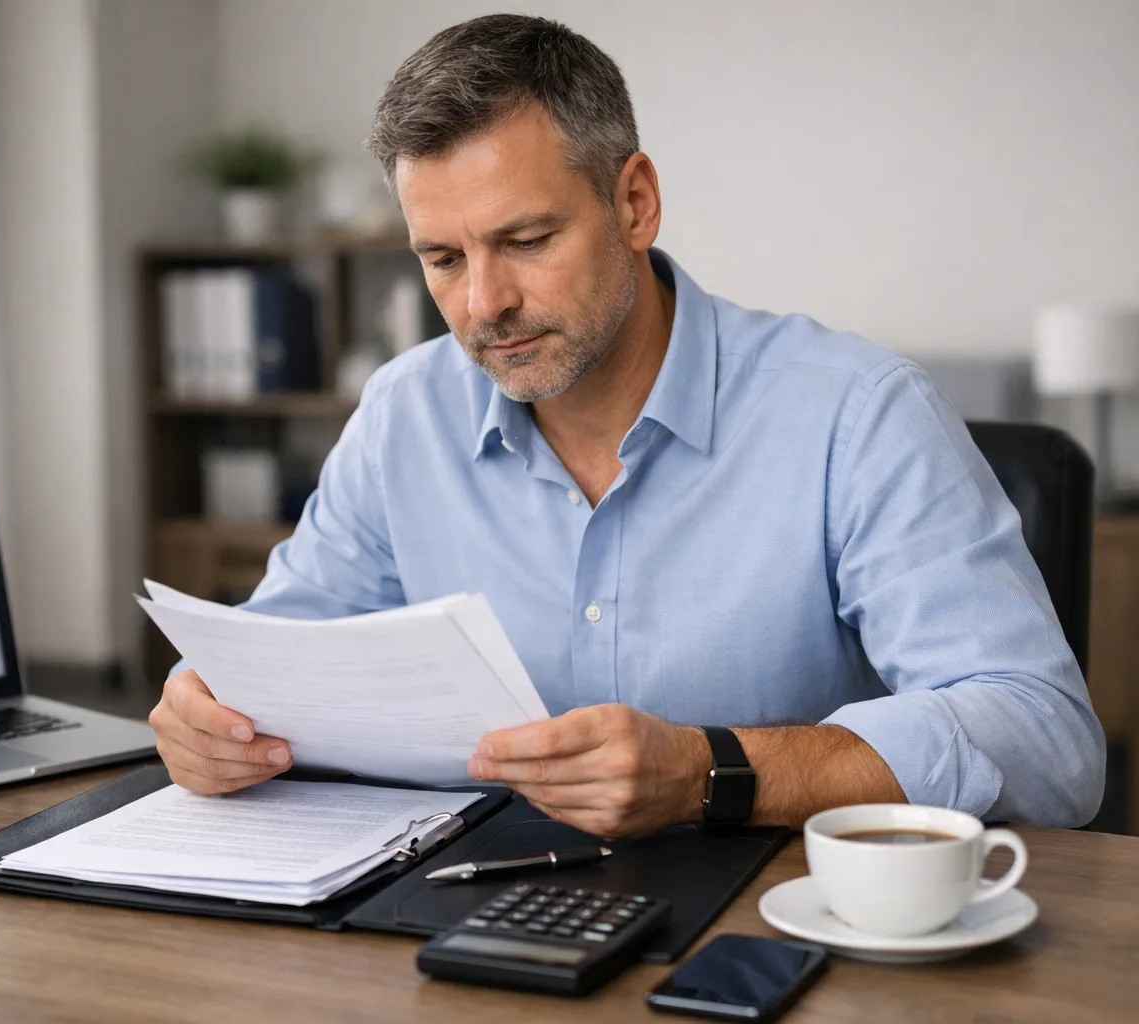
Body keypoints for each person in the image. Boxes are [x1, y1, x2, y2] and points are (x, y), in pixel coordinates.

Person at [148, 14, 1105, 835]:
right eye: (441, 259)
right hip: (457, 915)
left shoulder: (857, 414)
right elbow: (266, 655)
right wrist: (206, 713)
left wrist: (710, 772)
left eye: (526, 241)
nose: (483, 304)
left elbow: (1046, 742)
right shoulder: (404, 414)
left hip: (773, 936)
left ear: (634, 202)